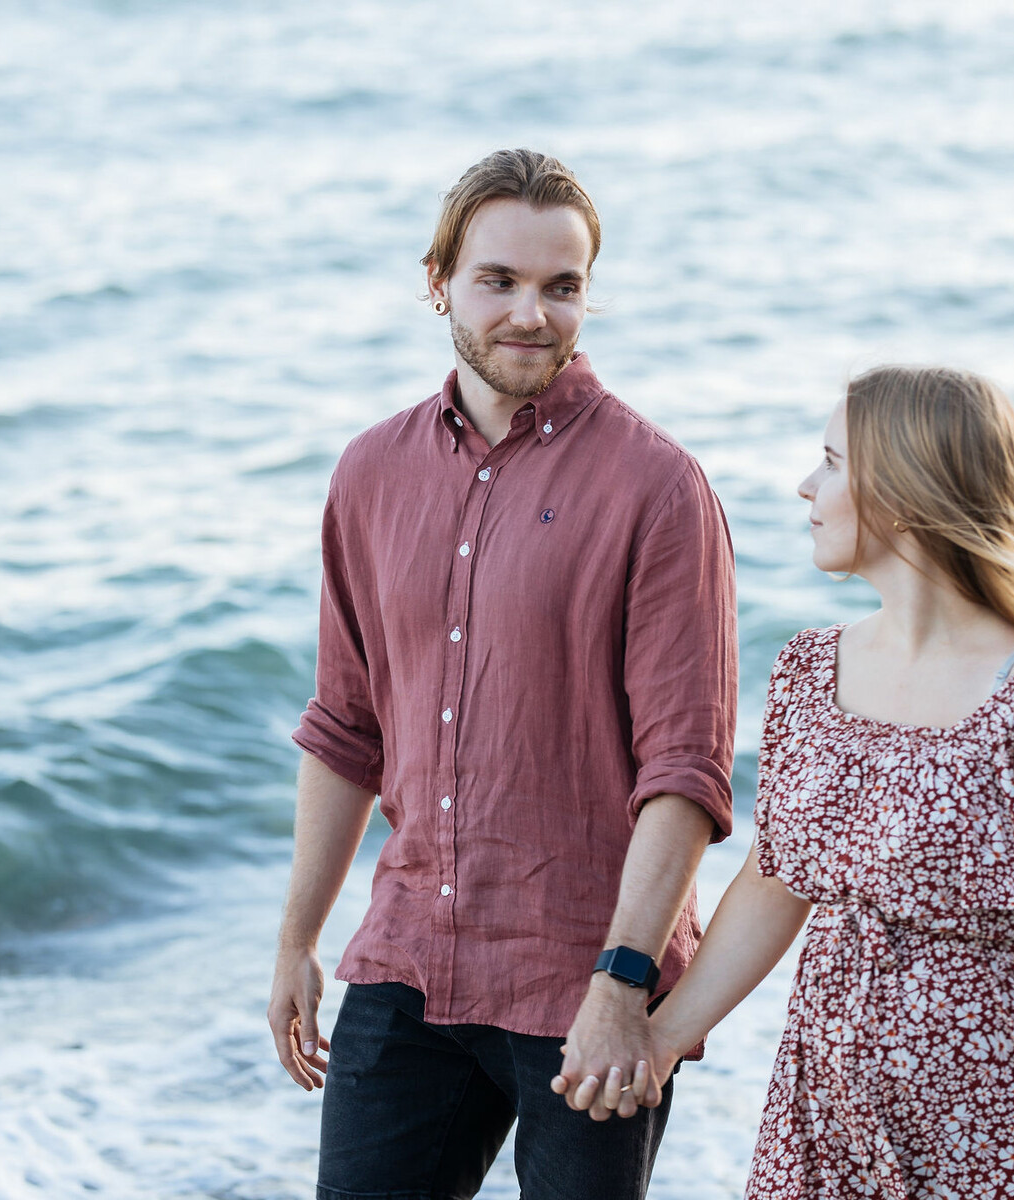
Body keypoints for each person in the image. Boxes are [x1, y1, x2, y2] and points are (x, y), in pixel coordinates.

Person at [561, 366, 1014, 1198]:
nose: (805, 487)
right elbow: (776, 882)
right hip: (829, 1116)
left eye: (830, 462)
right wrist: (664, 1036)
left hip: (1008, 1123)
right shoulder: (810, 672)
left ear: (902, 490)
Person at [267, 147, 738, 1199]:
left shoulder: (658, 489)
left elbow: (687, 772)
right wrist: (298, 940)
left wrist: (624, 982)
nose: (532, 313)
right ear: (439, 282)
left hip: (586, 975)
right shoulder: (369, 473)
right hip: (408, 962)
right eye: (500, 281)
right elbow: (346, 727)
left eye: (561, 287)